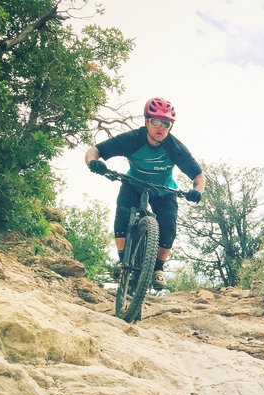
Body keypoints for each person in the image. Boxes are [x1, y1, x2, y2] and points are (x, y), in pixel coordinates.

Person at [84, 97, 205, 289]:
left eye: (166, 123)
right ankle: (124, 261)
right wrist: (93, 163)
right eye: (156, 121)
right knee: (123, 213)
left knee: (168, 229)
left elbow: (198, 175)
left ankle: (157, 269)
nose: (161, 127)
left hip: (164, 190)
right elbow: (95, 150)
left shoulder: (174, 147)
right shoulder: (133, 139)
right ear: (147, 121)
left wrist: (197, 191)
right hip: (134, 184)